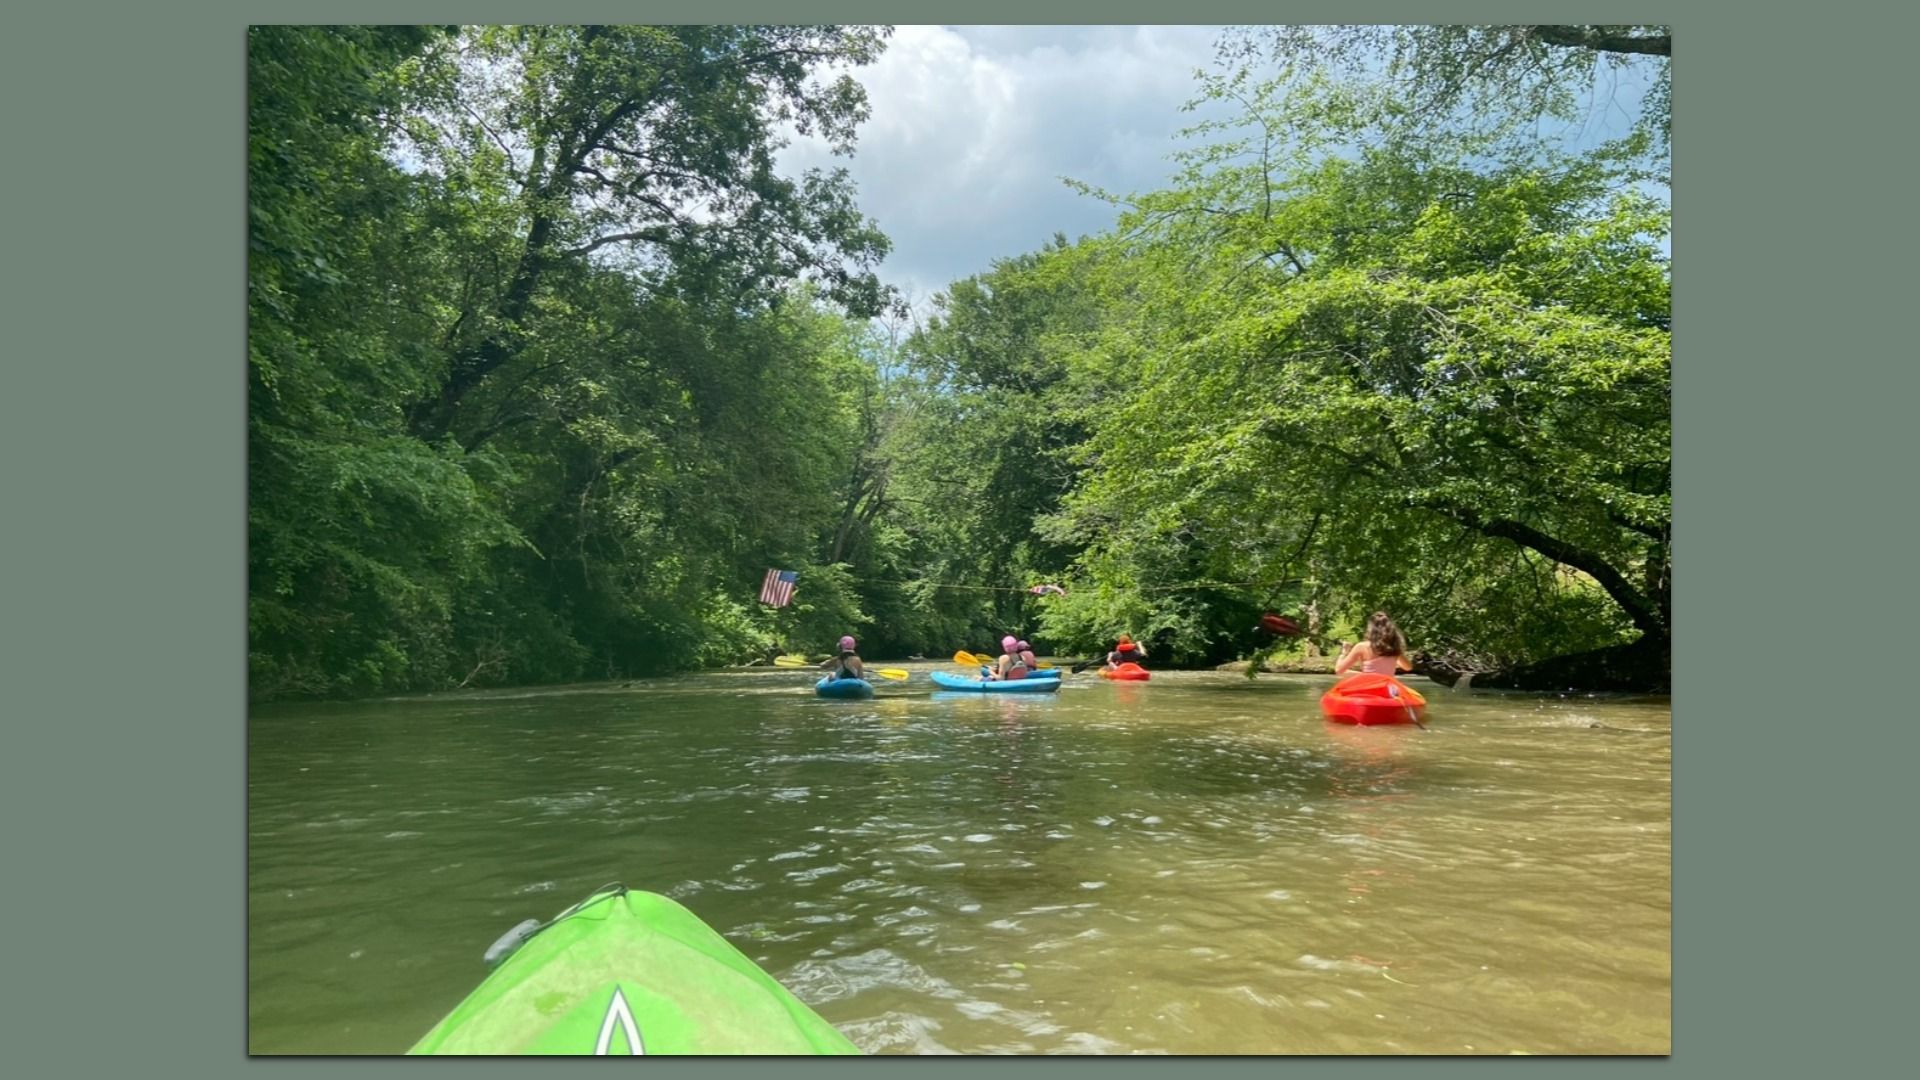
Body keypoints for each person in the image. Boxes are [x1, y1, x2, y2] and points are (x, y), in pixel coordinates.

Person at [1334, 612, 1414, 677]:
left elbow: (1339, 670)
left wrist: (1344, 652)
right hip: (1386, 688)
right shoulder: (1393, 648)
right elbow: (1408, 667)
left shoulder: (1362, 646)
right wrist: (1393, 659)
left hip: (1368, 689)